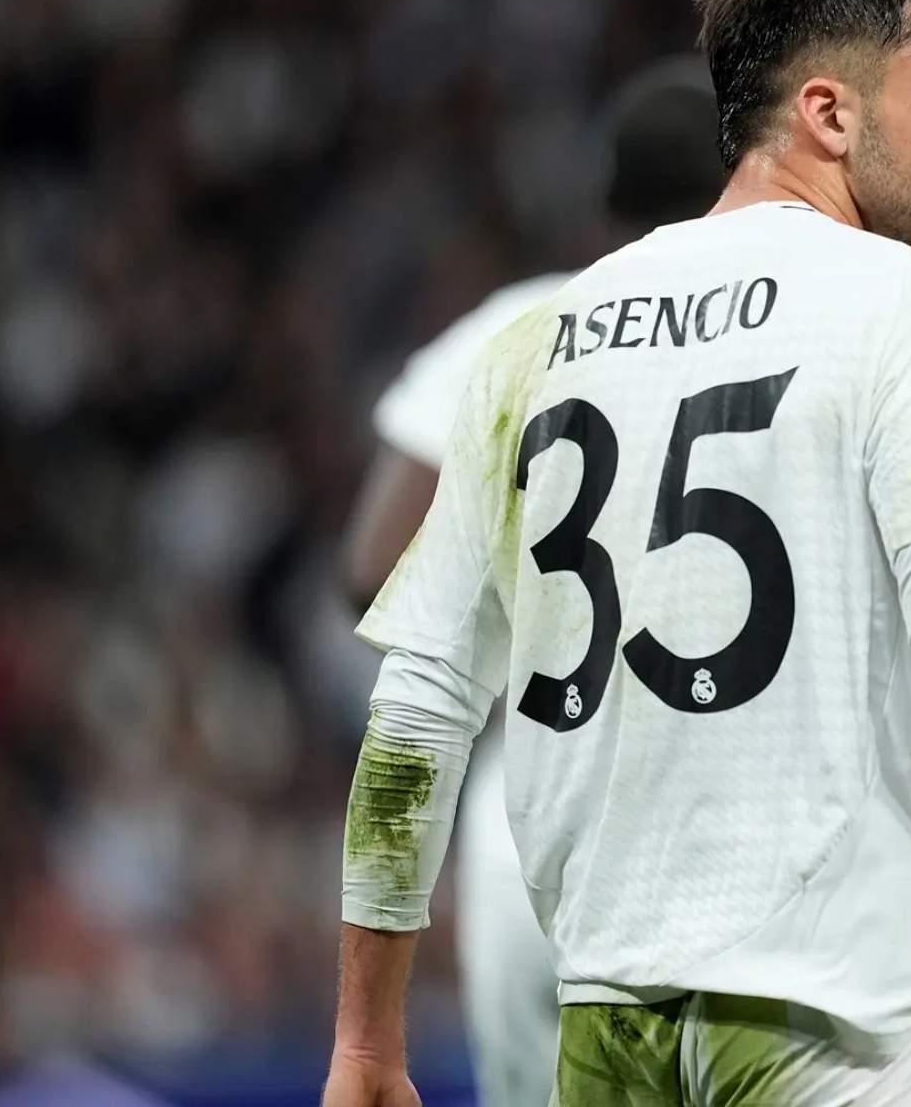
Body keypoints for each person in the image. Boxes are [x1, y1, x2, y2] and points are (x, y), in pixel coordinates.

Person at [322, 0, 911, 1107]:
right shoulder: (905, 307)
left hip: (608, 1018)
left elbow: (414, 716)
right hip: (842, 1013)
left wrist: (366, 1038)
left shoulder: (529, 344)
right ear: (828, 114)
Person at [338, 56, 723, 1107]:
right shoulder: (788, 337)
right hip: (720, 830)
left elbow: (371, 567)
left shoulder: (512, 329)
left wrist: (518, 650)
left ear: (604, 201)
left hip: (530, 829)